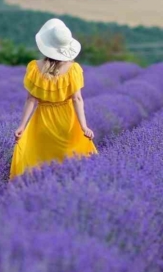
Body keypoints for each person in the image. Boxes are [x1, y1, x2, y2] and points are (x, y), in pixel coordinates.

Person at [9, 18, 97, 179]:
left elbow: (31, 100)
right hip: (67, 121)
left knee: (40, 161)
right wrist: (84, 127)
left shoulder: (34, 68)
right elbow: (77, 99)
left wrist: (22, 126)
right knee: (69, 162)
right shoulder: (74, 70)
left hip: (42, 120)